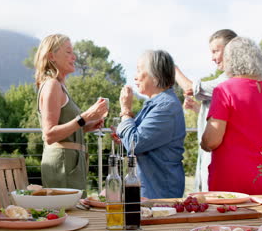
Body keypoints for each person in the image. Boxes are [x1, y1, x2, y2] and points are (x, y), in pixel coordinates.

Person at [201, 37, 262, 195]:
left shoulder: (224, 90)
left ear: (230, 60)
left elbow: (212, 141)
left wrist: (204, 142)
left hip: (229, 183)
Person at [34, 34, 108, 192]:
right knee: (69, 214)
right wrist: (85, 117)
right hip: (62, 165)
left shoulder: (59, 86)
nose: (74, 57)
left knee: (75, 213)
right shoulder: (52, 85)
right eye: (68, 52)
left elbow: (64, 129)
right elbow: (49, 134)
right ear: (51, 56)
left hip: (70, 163)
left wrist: (87, 126)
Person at [115, 50, 186, 199]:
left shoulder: (166, 106)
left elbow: (135, 143)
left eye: (140, 70)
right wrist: (123, 136)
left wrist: (126, 111)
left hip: (160, 193)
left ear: (156, 76)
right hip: (152, 188)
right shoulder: (156, 104)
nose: (135, 76)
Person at [175, 29, 237, 192]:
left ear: (231, 50)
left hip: (218, 156)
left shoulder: (227, 81)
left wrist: (172, 69)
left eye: (216, 51)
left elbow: (189, 88)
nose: (213, 58)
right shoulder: (224, 79)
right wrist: (198, 108)